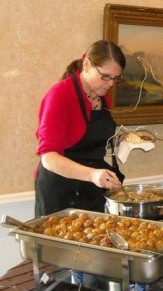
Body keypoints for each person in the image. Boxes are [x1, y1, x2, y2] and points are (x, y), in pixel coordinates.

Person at [34, 40, 126, 217]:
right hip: (61, 190)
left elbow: (86, 140)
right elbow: (49, 158)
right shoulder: (59, 95)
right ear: (87, 64)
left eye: (116, 78)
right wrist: (92, 175)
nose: (110, 84)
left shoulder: (101, 96)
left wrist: (115, 139)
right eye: (105, 76)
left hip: (91, 187)